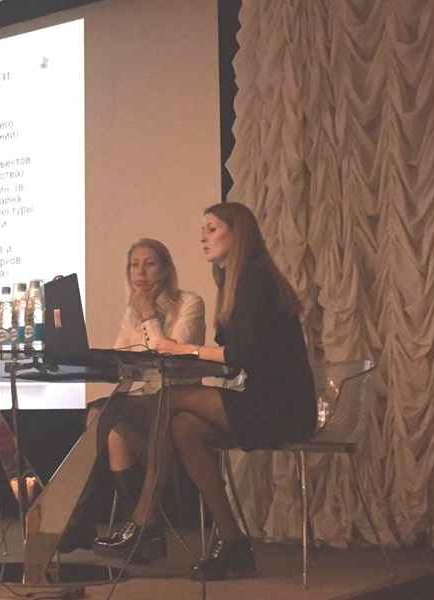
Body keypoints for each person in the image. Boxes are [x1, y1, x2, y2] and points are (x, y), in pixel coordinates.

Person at [92, 202, 317, 580]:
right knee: (184, 426)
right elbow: (233, 355)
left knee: (167, 400)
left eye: (211, 229)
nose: (202, 238)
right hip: (262, 397)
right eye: (202, 230)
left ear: (238, 233)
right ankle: (233, 543)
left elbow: (244, 354)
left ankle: (145, 519)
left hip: (283, 406)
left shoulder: (253, 277)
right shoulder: (233, 278)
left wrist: (184, 349)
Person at [58, 238, 205, 552]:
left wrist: (149, 313)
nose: (141, 272)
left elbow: (172, 355)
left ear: (165, 270)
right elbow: (121, 359)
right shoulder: (132, 312)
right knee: (109, 428)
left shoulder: (190, 303)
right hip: (144, 399)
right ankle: (141, 529)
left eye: (150, 263)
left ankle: (98, 522)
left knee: (100, 415)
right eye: (134, 265)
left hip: (179, 401)